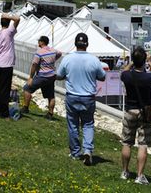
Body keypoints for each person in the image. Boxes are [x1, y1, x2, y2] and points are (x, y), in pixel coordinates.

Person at [56, 33, 106, 166]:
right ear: (87, 44)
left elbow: (59, 75)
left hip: (72, 96)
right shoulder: (94, 60)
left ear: (75, 44)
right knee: (88, 124)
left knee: (73, 124)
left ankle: (75, 152)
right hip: (88, 97)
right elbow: (102, 76)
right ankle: (88, 150)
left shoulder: (67, 59)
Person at [120, 46, 151, 185]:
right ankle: (140, 175)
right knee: (143, 144)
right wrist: (150, 63)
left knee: (126, 142)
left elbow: (123, 72)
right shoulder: (148, 77)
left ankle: (125, 171)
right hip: (144, 112)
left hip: (130, 111)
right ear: (143, 61)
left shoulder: (127, 76)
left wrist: (132, 62)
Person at [22, 35, 62, 119]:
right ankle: (50, 114)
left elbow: (34, 64)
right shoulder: (53, 50)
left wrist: (31, 77)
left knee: (27, 88)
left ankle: (25, 108)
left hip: (42, 76)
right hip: (51, 76)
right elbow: (60, 53)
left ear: (41, 42)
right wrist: (53, 60)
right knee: (51, 96)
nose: (38, 43)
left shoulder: (39, 52)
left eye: (39, 41)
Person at [0, 13, 20, 119]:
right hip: (6, 64)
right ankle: (4, 112)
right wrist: (8, 16)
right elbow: (17, 19)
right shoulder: (9, 32)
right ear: (8, 23)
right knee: (5, 89)